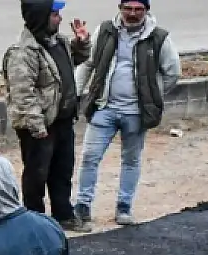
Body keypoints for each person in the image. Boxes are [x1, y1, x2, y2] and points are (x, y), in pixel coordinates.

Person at [72, 0, 181, 226]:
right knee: (89, 158)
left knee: (131, 160)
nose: (132, 14)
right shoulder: (105, 31)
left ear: (146, 11)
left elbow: (172, 73)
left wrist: (152, 96)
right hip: (104, 108)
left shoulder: (158, 37)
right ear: (120, 8)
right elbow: (88, 64)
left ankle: (124, 208)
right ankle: (82, 206)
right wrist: (76, 93)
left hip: (136, 113)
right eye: (128, 8)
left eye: (138, 9)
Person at [2, 0, 92, 233]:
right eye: (54, 14)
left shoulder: (58, 42)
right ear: (40, 17)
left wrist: (82, 44)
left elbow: (73, 62)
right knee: (36, 176)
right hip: (40, 126)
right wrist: (37, 126)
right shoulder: (23, 53)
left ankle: (63, 215)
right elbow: (22, 93)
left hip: (62, 122)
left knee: (62, 171)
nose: (60, 19)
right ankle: (34, 222)